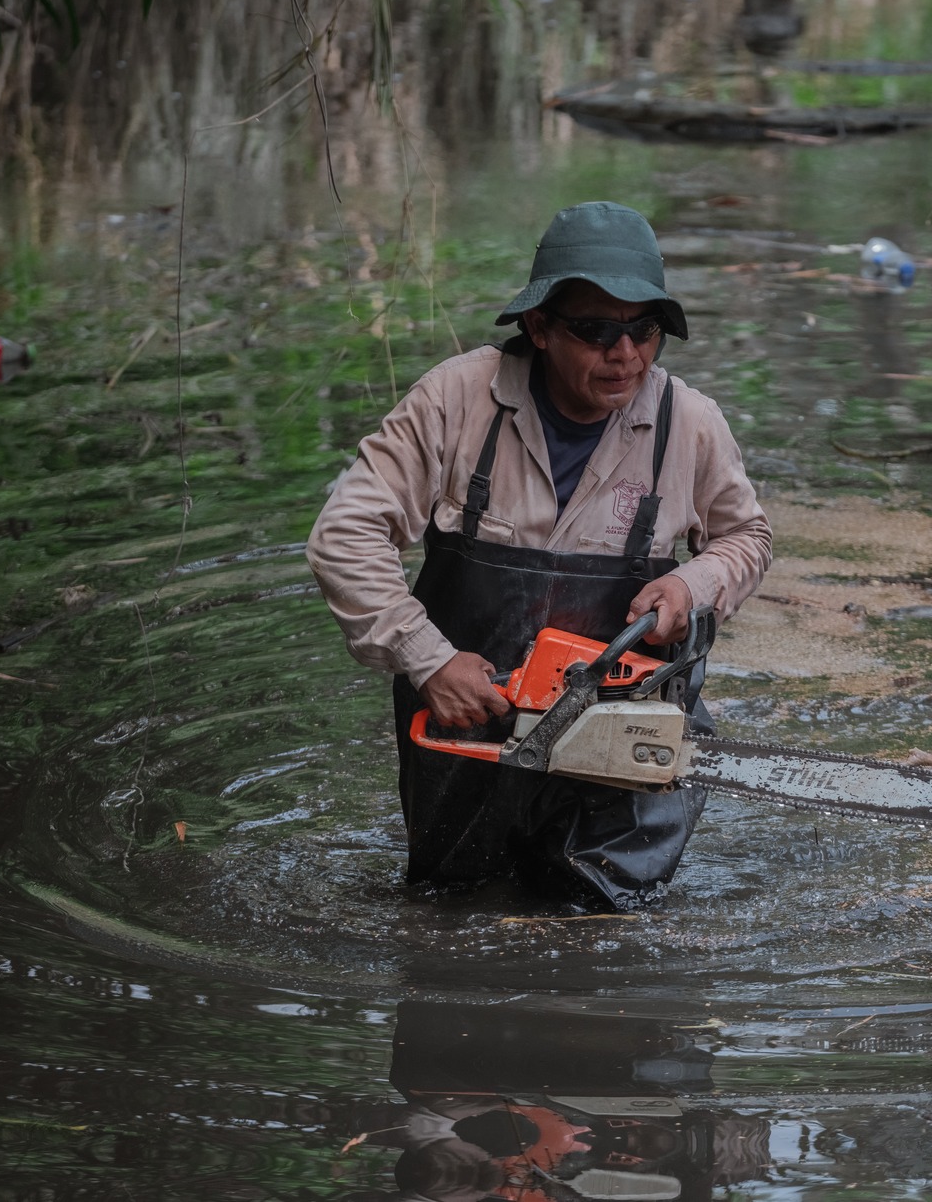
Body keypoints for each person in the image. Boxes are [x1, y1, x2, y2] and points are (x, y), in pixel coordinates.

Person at [308, 201, 772, 910]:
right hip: (470, 717)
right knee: (454, 907)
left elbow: (746, 538)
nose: (626, 354)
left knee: (603, 924)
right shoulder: (454, 400)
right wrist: (428, 660)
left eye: (645, 330)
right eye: (597, 331)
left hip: (623, 724)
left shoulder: (690, 422)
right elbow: (345, 534)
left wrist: (693, 583)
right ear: (539, 327)